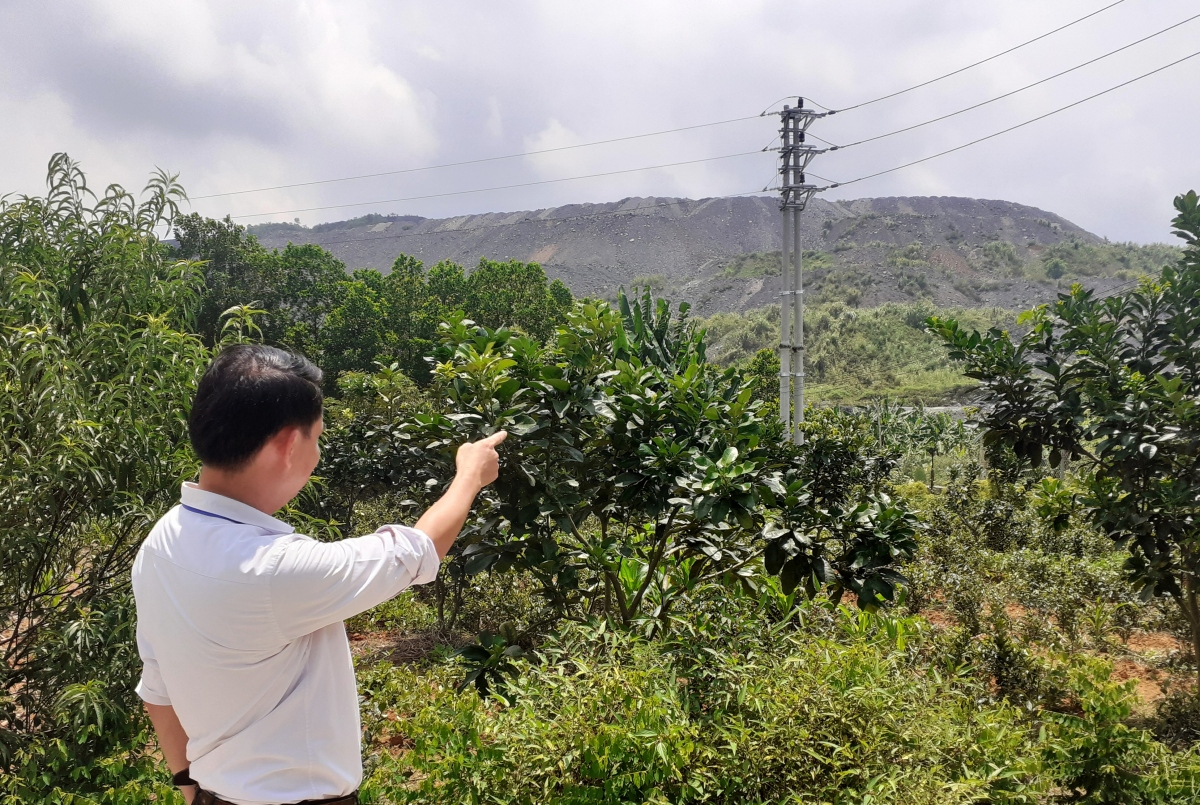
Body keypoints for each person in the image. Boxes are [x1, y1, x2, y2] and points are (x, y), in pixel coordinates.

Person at [132, 344, 505, 805]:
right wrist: (470, 476)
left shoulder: (162, 542)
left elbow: (157, 690)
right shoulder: (274, 571)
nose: (319, 452)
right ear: (290, 444)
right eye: (318, 437)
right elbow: (416, 551)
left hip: (213, 795)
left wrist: (189, 788)